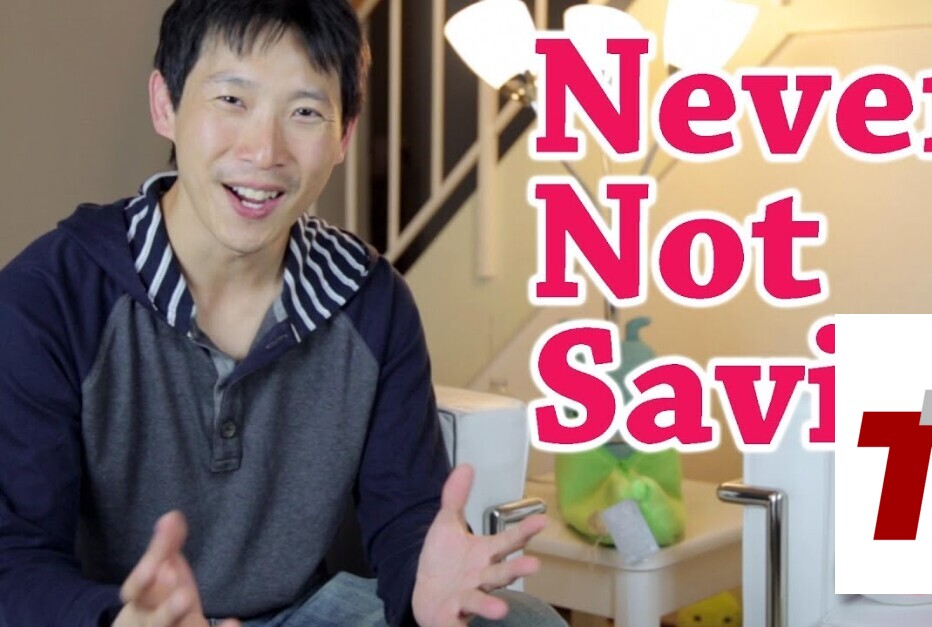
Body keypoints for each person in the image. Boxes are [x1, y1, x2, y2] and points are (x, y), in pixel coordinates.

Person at [0, 1, 566, 626]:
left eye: (305, 112)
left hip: (302, 615)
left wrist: (421, 591)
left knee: (523, 620)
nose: (264, 151)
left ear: (344, 135)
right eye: (232, 100)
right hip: (121, 620)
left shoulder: (371, 300)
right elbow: (13, 557)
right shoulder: (50, 296)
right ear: (165, 103)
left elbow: (407, 520)